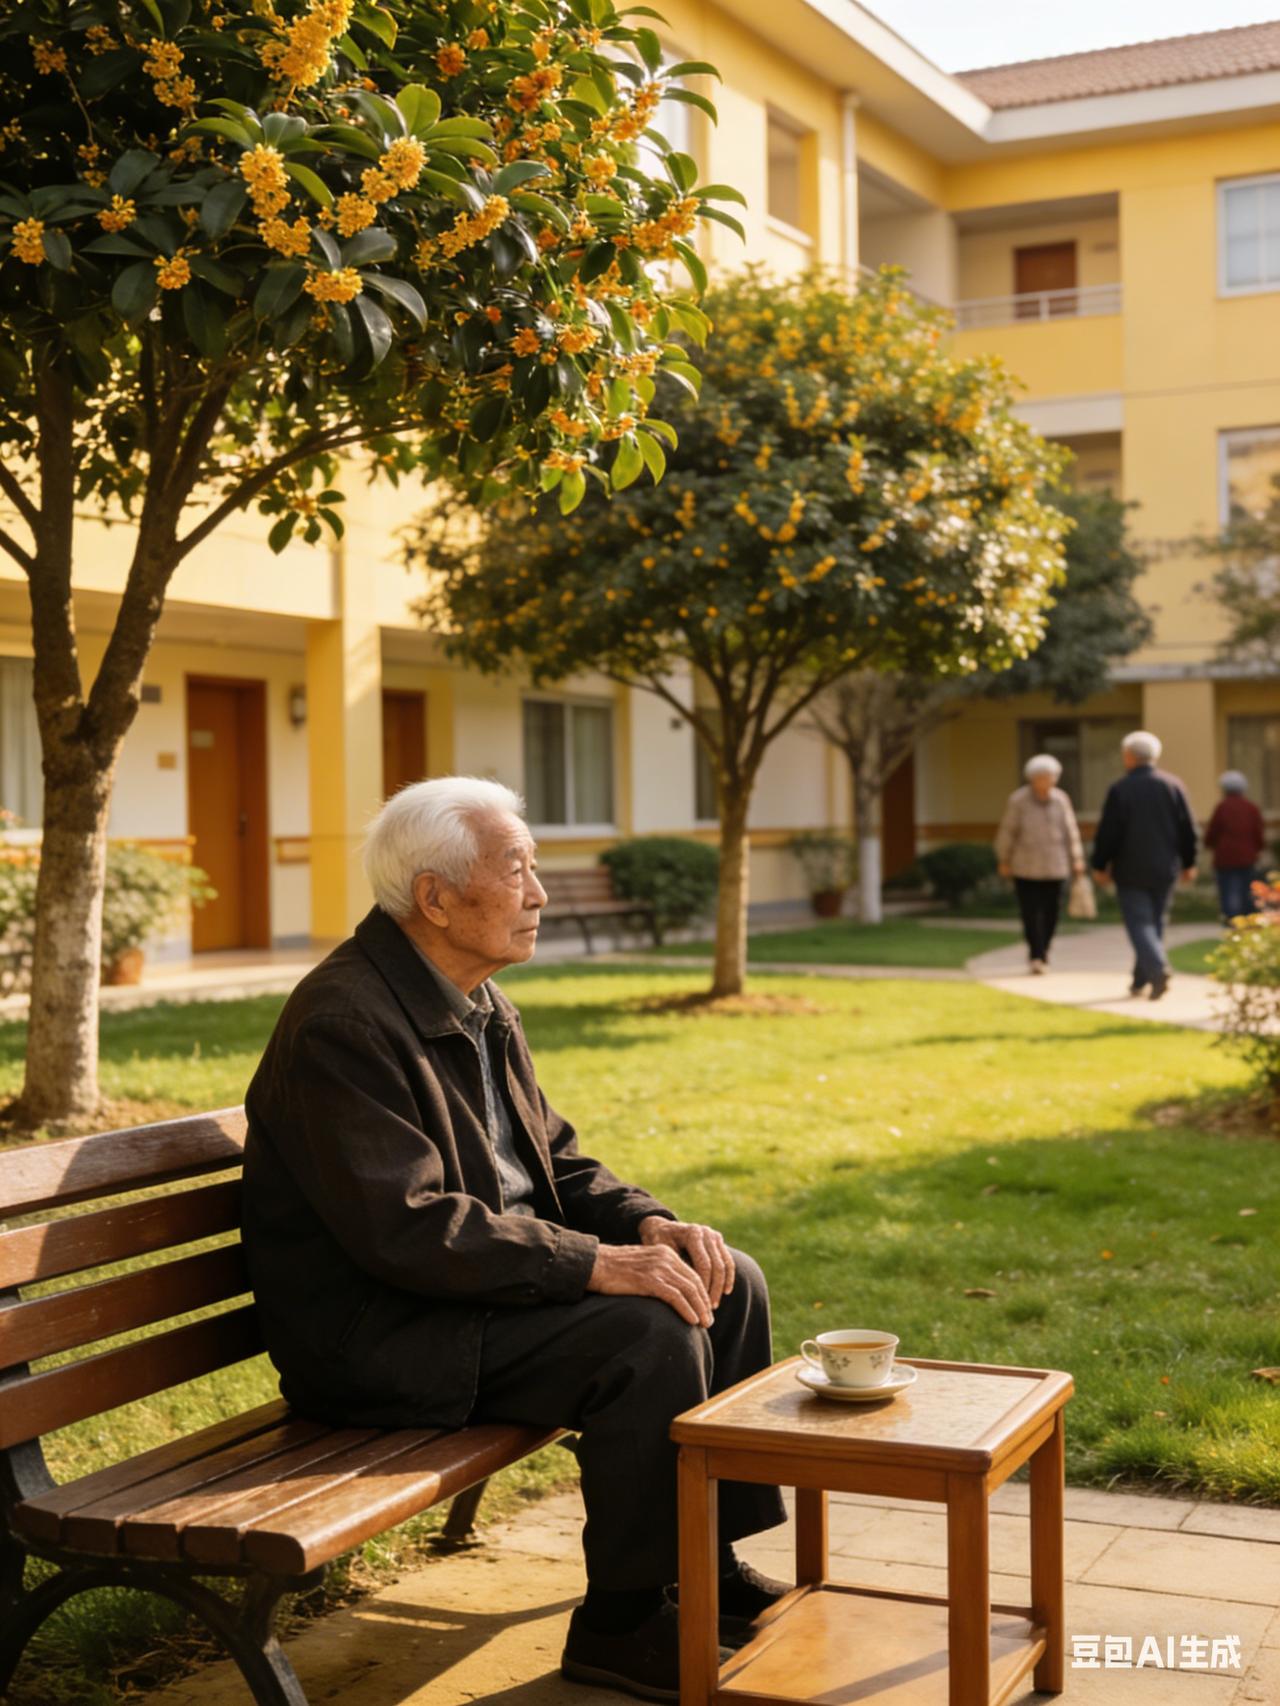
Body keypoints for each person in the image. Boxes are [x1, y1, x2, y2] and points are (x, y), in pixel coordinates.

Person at [241, 776, 786, 1702]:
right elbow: (407, 1229)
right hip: (377, 1335)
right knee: (645, 1335)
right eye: (519, 869)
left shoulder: (473, 996)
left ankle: (706, 1568)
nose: (538, 893)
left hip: (461, 1299)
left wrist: (647, 1223)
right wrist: (596, 1265)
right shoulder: (347, 1023)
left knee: (724, 1278)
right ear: (437, 898)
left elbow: (552, 1161)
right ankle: (619, 1624)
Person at [1090, 730, 1198, 1000]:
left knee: (1140, 923)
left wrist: (1100, 864)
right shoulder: (1173, 786)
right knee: (1155, 923)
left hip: (1130, 869)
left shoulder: (1121, 789)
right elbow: (1188, 830)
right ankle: (1141, 979)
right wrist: (1189, 862)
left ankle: (1157, 969)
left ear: (1128, 757)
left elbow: (1108, 833)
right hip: (1165, 867)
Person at [994, 754, 1085, 973]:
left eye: (1052, 777)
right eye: (1043, 777)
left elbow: (1070, 831)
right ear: (1032, 779)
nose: (1048, 781)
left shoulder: (1061, 799)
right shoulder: (1018, 800)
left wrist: (1077, 858)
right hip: (1025, 867)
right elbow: (1008, 831)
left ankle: (1044, 950)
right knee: (1030, 913)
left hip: (1056, 866)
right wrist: (1004, 859)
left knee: (1052, 913)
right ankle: (1035, 954)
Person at [1204, 770, 1265, 922]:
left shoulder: (1222, 807)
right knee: (1246, 891)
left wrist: (1209, 844)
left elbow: (1213, 832)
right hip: (1247, 857)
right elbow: (1258, 834)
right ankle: (1246, 920)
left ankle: (1232, 921)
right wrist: (1258, 849)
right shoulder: (1251, 808)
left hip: (1225, 858)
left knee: (1228, 891)